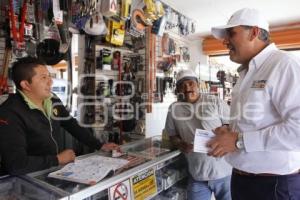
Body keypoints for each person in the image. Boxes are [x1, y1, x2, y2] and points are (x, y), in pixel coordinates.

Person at [208, 8, 300, 200]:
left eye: (231, 33)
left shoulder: (284, 64)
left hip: (273, 186)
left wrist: (238, 140)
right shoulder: (246, 73)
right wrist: (229, 130)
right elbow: (254, 121)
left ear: (255, 32)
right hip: (241, 179)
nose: (225, 41)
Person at [0, 57, 118, 175]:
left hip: (48, 172)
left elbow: (70, 123)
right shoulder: (10, 113)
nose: (50, 82)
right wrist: (58, 159)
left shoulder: (52, 99)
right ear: (26, 85)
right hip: (22, 182)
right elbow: (16, 165)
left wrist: (99, 145)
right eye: (44, 78)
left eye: (49, 76)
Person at [164, 69, 232, 200]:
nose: (187, 88)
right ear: (178, 89)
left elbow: (232, 127)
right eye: (182, 86)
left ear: (198, 84)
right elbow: (172, 135)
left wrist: (222, 133)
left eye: (190, 83)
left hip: (224, 173)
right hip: (197, 174)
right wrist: (181, 144)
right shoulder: (174, 108)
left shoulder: (215, 102)